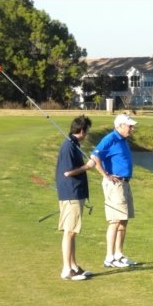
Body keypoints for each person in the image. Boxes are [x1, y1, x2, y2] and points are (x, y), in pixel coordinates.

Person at [90, 113, 138, 268]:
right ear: (120, 126)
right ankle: (109, 257)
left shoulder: (123, 140)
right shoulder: (110, 138)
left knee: (123, 220)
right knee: (115, 220)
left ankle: (118, 255)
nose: (132, 129)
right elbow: (94, 157)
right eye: (130, 126)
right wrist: (106, 175)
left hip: (124, 184)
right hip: (114, 185)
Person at [55, 115, 97, 280]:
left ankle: (73, 266)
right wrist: (87, 166)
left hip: (75, 193)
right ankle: (66, 270)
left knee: (73, 231)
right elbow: (68, 172)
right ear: (82, 131)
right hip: (70, 193)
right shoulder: (68, 146)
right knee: (69, 231)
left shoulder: (74, 144)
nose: (86, 134)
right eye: (86, 131)